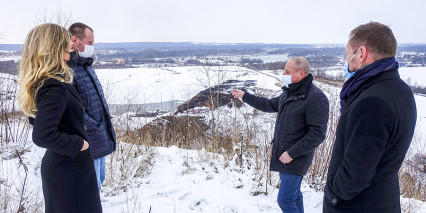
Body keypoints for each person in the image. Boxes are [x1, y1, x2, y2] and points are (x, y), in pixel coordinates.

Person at [323, 22, 417, 212]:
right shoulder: (401, 90)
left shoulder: (371, 101)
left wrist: (333, 195)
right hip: (383, 200)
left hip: (357, 206)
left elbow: (356, 174)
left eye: (348, 54)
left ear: (362, 54)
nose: (347, 59)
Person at [17, 23, 102, 213]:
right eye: (67, 50)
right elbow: (43, 135)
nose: (70, 54)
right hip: (70, 171)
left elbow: (40, 120)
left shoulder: (47, 83)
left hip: (65, 168)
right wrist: (79, 144)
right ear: (54, 51)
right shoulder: (53, 88)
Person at [232, 57, 329, 213]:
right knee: (294, 196)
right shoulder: (289, 93)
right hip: (284, 155)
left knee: (284, 200)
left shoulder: (315, 98)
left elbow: (317, 134)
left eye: (286, 71)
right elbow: (268, 104)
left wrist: (291, 153)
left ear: (301, 74)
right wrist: (245, 96)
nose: (282, 73)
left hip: (296, 158)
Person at [68, 22, 116, 191]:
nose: (92, 47)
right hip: (88, 140)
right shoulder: (69, 71)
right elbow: (72, 109)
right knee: (90, 190)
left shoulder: (85, 66)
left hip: (98, 137)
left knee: (98, 183)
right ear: (76, 40)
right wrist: (93, 126)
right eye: (89, 43)